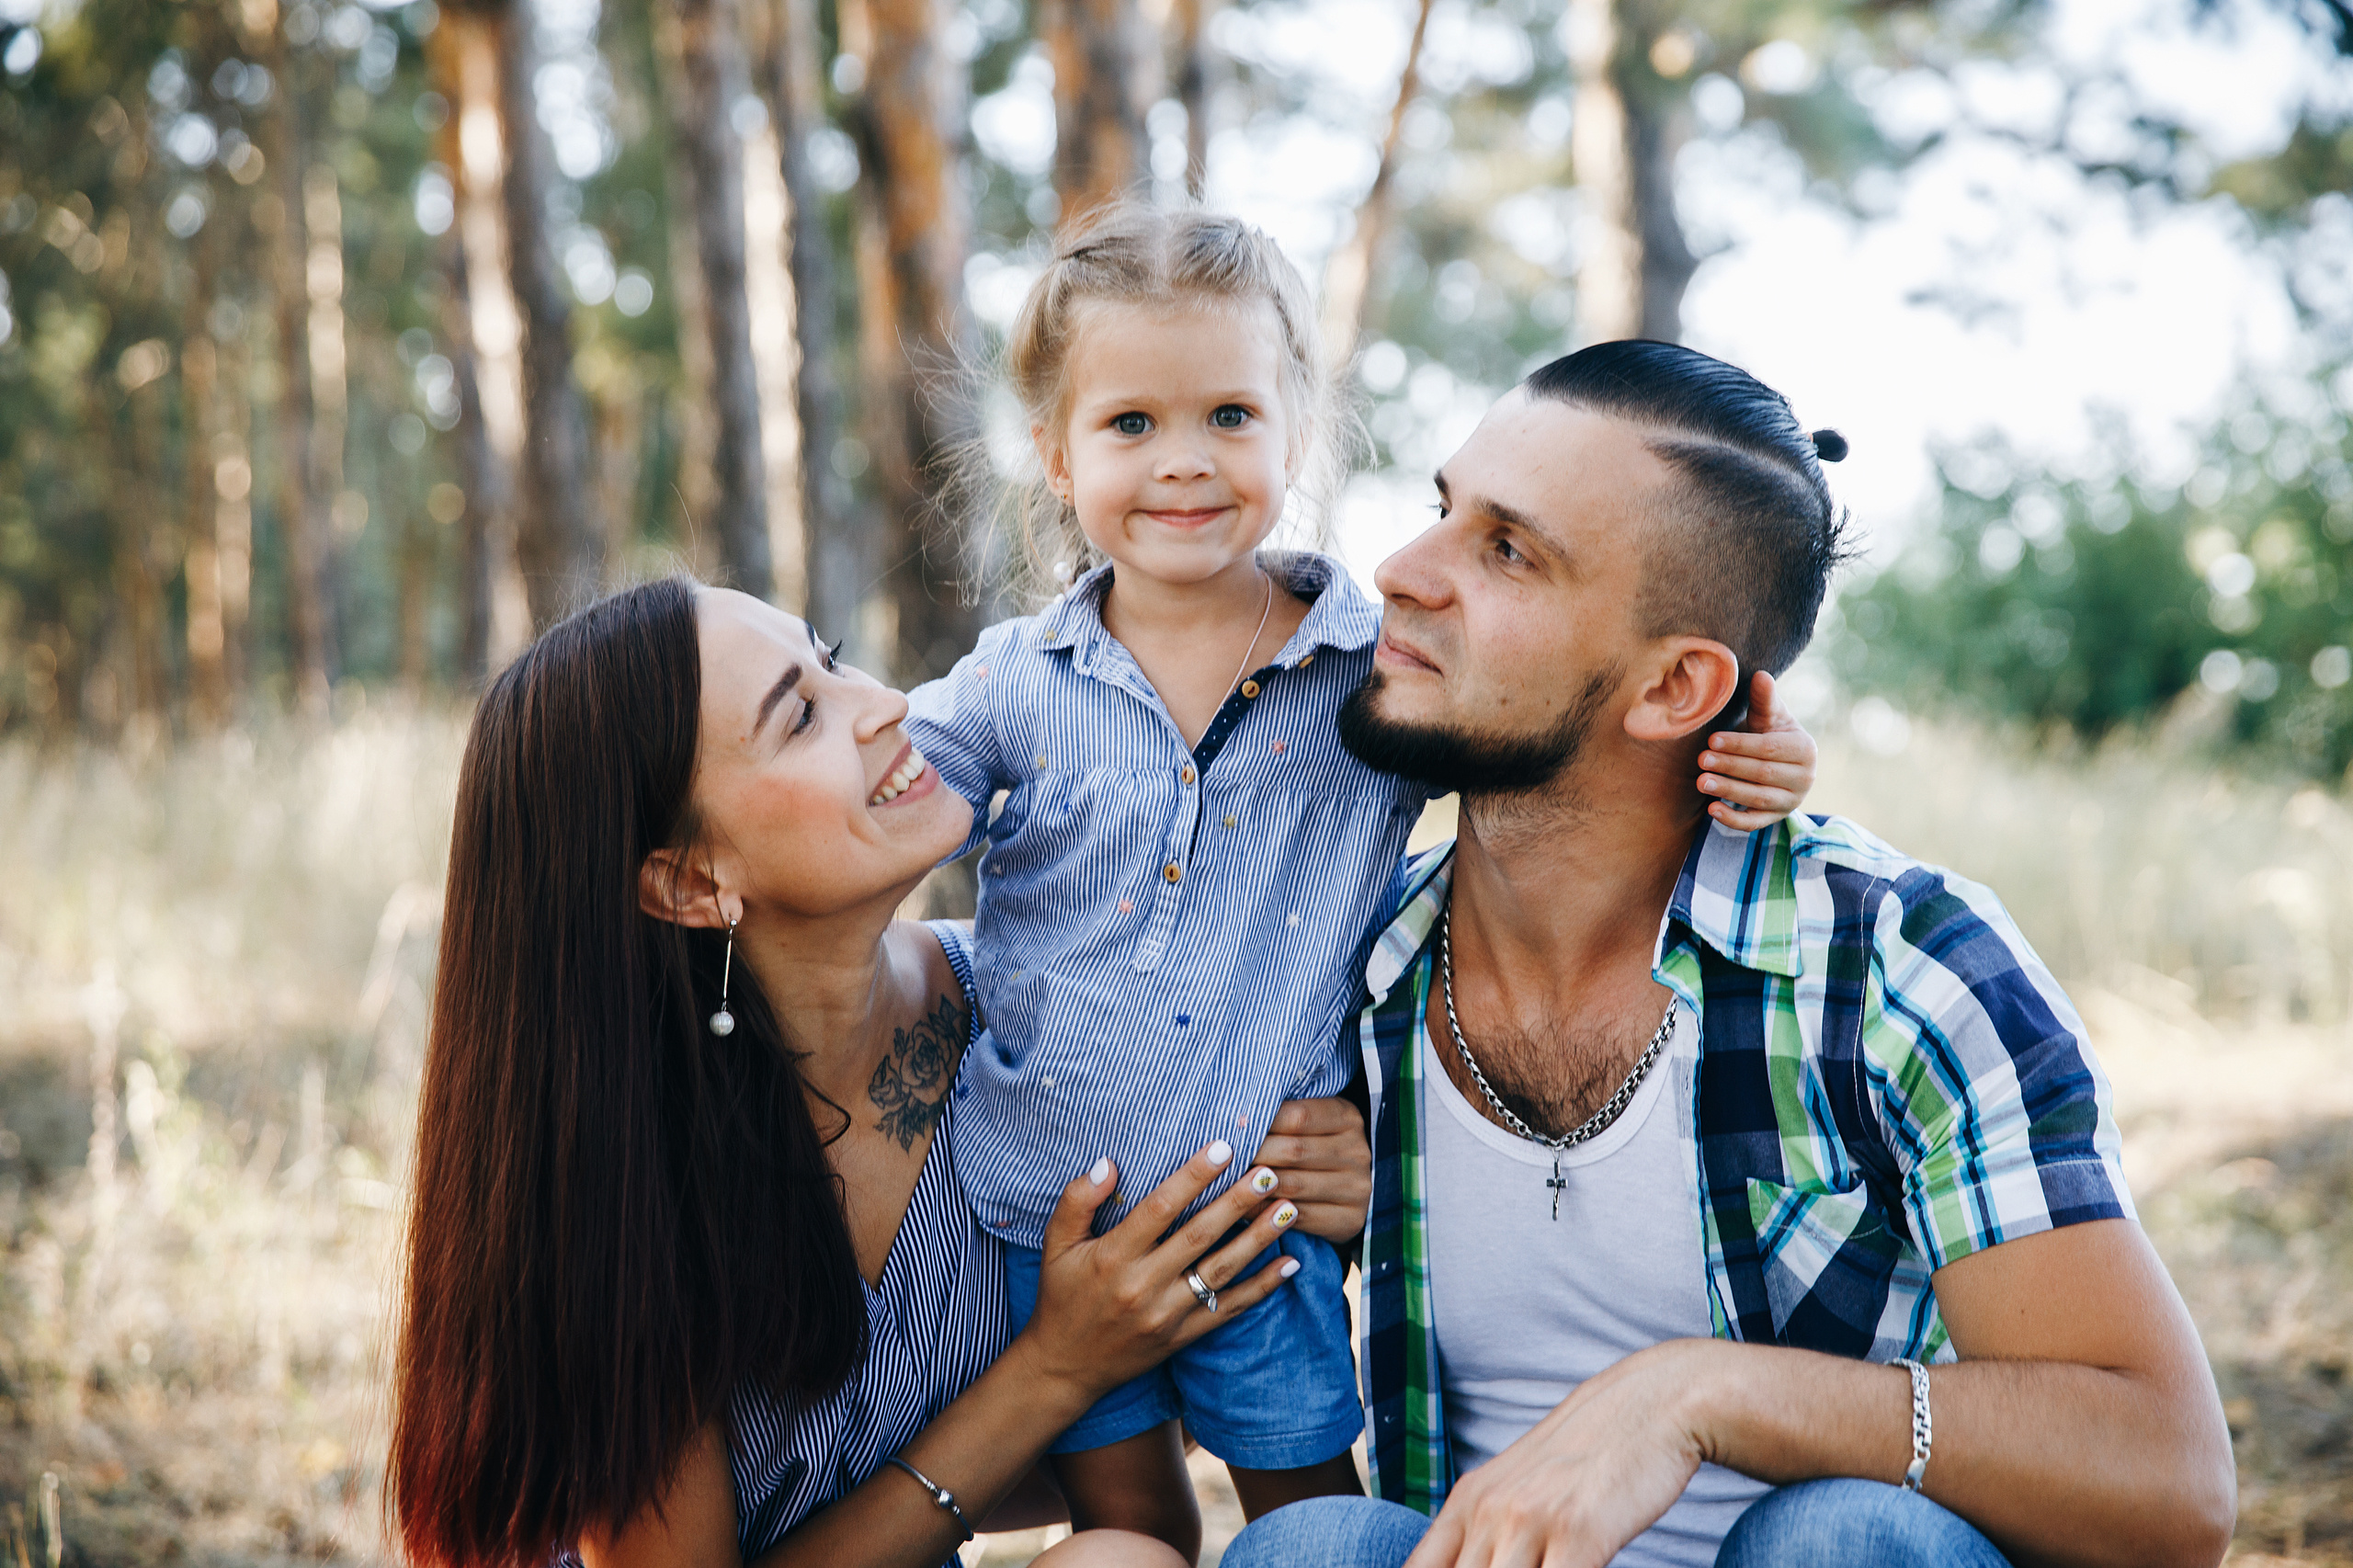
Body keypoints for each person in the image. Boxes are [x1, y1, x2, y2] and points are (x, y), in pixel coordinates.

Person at [1222, 341, 2236, 1568]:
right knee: (1314, 1547)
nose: (1399, 570)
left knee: (1840, 1539)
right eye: (1445, 509)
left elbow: (2170, 1480)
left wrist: (1700, 1393)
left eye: (1507, 550)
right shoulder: (1350, 967)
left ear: (1675, 686)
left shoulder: (1893, 968)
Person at [902, 209, 1822, 1555]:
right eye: (1130, 424)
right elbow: (879, 796)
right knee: (1129, 1529)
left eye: (1229, 415)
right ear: (1054, 453)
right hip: (1056, 1216)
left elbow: (1565, 753)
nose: (1183, 461)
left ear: (1294, 431)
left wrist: (1759, 743)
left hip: (1262, 1217)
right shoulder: (1013, 683)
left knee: (1312, 1523)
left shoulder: (1361, 664)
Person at [385, 576, 1382, 1568]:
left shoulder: (1033, 1023)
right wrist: (1053, 1368)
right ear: (691, 880)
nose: (886, 703)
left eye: (830, 658)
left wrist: (1318, 1179)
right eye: (800, 717)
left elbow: (1133, 1406)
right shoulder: (626, 1180)